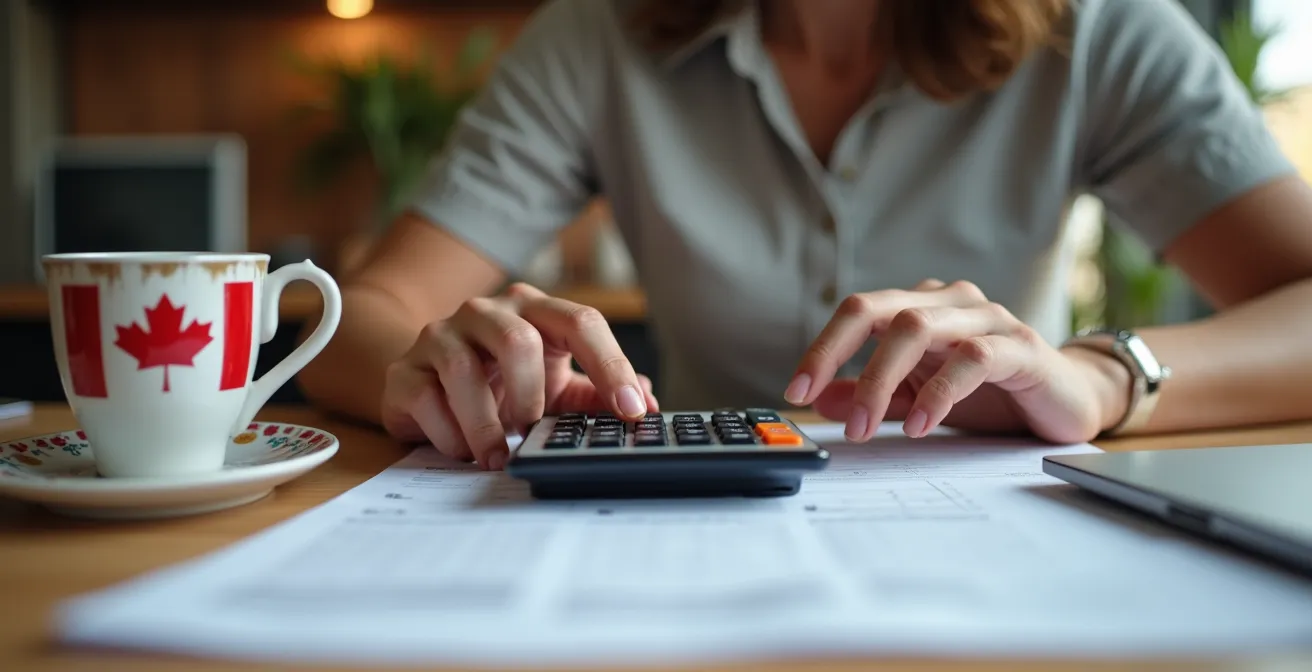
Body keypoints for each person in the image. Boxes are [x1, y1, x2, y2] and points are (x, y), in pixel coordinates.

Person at [297, 0, 1312, 471]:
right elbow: (357, 318)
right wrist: (423, 366)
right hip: (674, 546)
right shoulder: (595, 37)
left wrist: (1100, 378)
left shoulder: (1100, 30)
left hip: (994, 541)